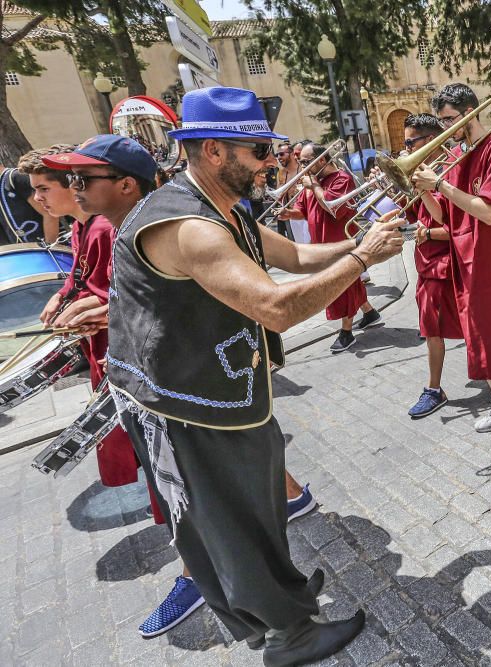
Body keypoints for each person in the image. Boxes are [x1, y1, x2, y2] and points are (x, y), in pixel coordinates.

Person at [105, 87, 404, 663]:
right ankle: (287, 636)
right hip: (183, 404)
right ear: (214, 151)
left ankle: (283, 597)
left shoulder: (225, 207)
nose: (272, 161)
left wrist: (365, 244)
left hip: (224, 391)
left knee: (262, 502)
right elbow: (277, 307)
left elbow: (296, 259)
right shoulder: (191, 227)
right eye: (259, 151)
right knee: (230, 522)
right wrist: (363, 260)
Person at [411, 83, 491, 457]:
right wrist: (423, 188)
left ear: (471, 112)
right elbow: (444, 217)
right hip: (465, 261)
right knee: (482, 342)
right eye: (443, 121)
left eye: (452, 119)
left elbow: (488, 211)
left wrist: (440, 184)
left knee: (486, 345)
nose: (448, 128)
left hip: (490, 263)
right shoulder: (457, 156)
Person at [21, 143, 138, 488]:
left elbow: (128, 292)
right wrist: (61, 296)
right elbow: (81, 276)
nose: (37, 198)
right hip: (101, 337)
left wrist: (100, 312)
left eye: (44, 188)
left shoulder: (106, 227)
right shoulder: (78, 227)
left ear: (72, 185)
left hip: (122, 339)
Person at [280, 141, 382, 354]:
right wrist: (288, 214)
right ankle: (370, 313)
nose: (303, 166)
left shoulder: (341, 179)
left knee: (341, 286)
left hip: (341, 243)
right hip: (322, 246)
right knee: (350, 283)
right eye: (301, 162)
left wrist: (315, 187)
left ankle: (346, 332)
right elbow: (304, 211)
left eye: (307, 162)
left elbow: (332, 207)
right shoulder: (314, 182)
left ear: (323, 160)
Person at [402, 113, 464, 419]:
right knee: (432, 330)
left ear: (428, 140)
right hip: (428, 264)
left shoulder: (451, 170)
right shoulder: (426, 169)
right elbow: (419, 217)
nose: (407, 148)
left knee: (469, 327)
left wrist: (425, 189)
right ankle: (434, 388)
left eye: (410, 142)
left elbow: (450, 224)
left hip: (450, 265)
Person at [0, 165, 61, 243]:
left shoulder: (15, 177)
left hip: (48, 247)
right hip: (24, 252)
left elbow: (49, 213)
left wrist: (49, 246)